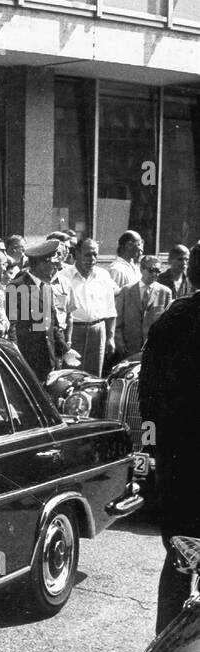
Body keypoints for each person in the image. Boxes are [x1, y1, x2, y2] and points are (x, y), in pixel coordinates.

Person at [140, 243, 200, 632]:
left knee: (182, 555)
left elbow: (148, 398)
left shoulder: (170, 320)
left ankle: (167, 649)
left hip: (179, 462)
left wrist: (152, 452)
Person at [7, 238, 74, 379]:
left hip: (48, 359)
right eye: (54, 265)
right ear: (40, 264)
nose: (56, 269)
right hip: (26, 360)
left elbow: (52, 325)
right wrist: (15, 357)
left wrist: (65, 350)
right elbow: (12, 326)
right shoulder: (17, 286)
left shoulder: (46, 287)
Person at [59, 237, 117, 374]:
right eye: (87, 254)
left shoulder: (103, 276)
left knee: (94, 376)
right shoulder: (63, 277)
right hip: (73, 333)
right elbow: (60, 312)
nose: (92, 259)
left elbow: (110, 310)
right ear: (77, 254)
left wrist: (110, 337)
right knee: (71, 375)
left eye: (95, 255)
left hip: (97, 332)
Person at [116, 254, 172, 360]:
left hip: (153, 348)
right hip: (129, 347)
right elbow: (117, 320)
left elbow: (167, 323)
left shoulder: (165, 292)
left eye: (158, 271)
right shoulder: (126, 291)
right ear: (141, 269)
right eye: (151, 270)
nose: (155, 274)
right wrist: (119, 342)